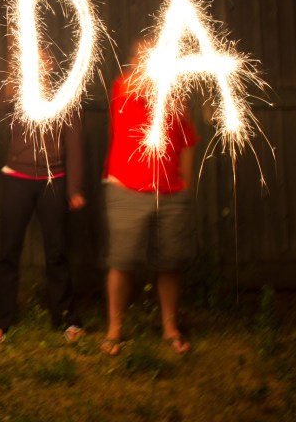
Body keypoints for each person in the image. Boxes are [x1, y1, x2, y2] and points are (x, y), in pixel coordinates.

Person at [101, 37, 197, 356]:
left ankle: (170, 327)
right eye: (145, 56)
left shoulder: (176, 95)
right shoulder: (124, 86)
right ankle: (115, 330)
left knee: (169, 263)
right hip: (127, 187)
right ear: (135, 61)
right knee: (123, 261)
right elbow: (138, 90)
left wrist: (185, 184)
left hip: (170, 192)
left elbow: (187, 139)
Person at [0, 73, 86, 344]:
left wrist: (74, 188)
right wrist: (8, 87)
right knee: (8, 250)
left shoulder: (65, 93)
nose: (38, 64)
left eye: (44, 59)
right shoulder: (16, 91)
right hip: (17, 178)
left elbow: (74, 141)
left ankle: (67, 317)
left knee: (57, 251)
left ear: (51, 65)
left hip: (54, 180)